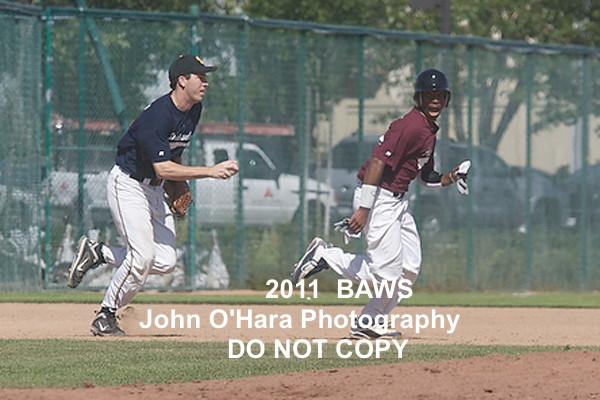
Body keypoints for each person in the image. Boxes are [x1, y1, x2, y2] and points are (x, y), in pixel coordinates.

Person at [66, 55, 239, 336]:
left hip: (155, 189)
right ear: (182, 81)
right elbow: (162, 166)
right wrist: (210, 171)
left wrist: (178, 185)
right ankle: (105, 315)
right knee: (142, 257)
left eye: (206, 77)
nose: (205, 82)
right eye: (200, 77)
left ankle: (99, 253)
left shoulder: (193, 110)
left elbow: (174, 152)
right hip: (129, 186)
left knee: (166, 261)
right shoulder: (158, 115)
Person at [291, 69, 470, 339]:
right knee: (385, 275)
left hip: (397, 202)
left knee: (409, 269)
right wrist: (364, 209)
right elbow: (377, 161)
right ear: (418, 98)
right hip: (378, 198)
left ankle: (370, 320)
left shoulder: (428, 130)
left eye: (440, 96)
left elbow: (425, 178)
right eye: (429, 95)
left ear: (447, 100)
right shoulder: (410, 125)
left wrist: (452, 177)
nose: (435, 100)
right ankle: (326, 255)